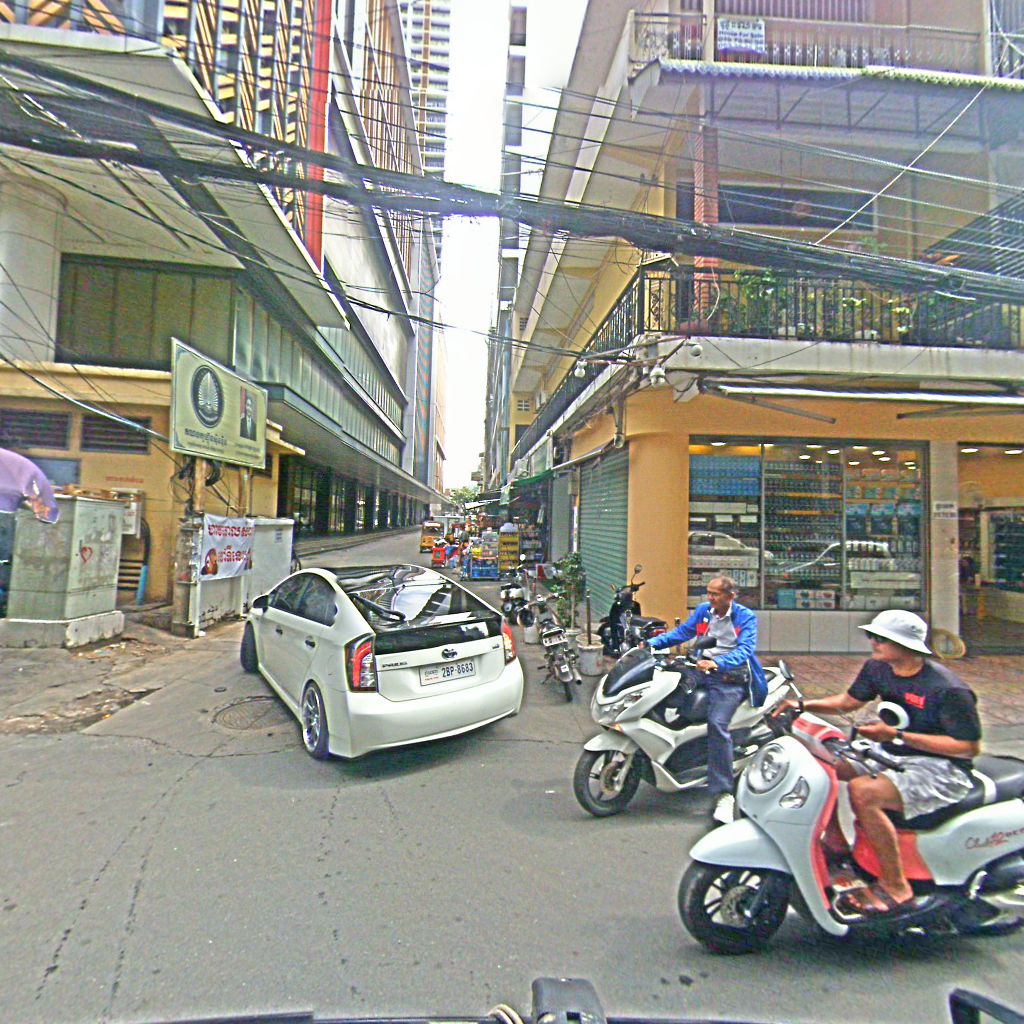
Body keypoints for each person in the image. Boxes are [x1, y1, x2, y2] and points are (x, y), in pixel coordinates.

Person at [773, 608, 981, 916]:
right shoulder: (878, 669)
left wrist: (897, 735)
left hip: (941, 767)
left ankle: (897, 886)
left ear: (905, 645)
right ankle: (836, 842)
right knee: (821, 766)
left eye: (881, 638)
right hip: (892, 751)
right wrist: (801, 705)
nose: (873, 642)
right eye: (872, 636)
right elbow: (848, 702)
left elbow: (967, 748)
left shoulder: (947, 689)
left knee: (864, 792)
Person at [646, 575, 768, 824]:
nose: (709, 598)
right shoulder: (704, 611)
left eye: (715, 594)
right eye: (708, 592)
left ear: (730, 596)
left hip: (729, 677)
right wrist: (651, 644)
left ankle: (724, 794)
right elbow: (684, 632)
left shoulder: (745, 617)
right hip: (700, 669)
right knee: (664, 696)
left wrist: (718, 663)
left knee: (717, 724)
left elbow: (745, 649)